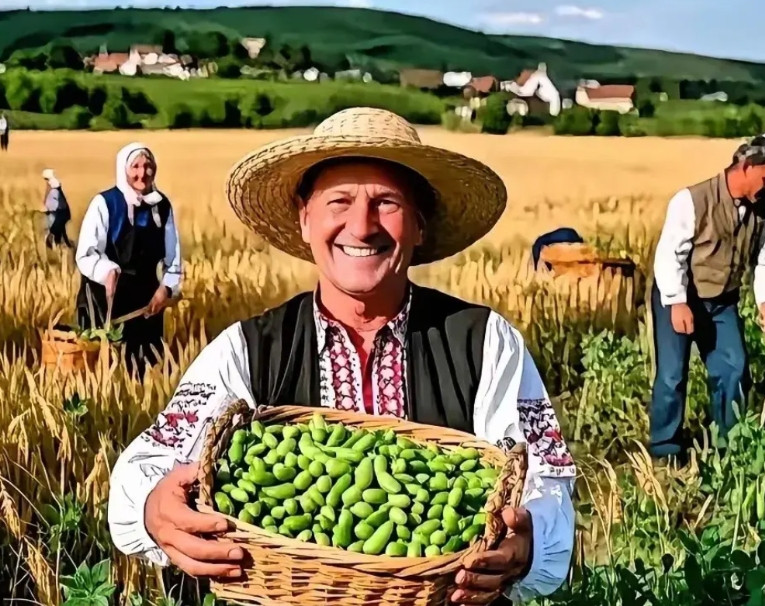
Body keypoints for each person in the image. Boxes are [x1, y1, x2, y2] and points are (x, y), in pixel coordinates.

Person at [107, 108, 576, 604]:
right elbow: (148, 463)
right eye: (340, 201)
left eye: (386, 202)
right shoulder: (246, 350)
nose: (362, 225)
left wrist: (528, 545)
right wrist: (153, 510)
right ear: (305, 220)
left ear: (419, 225)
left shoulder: (485, 342)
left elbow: (546, 484)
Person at [649, 136, 765, 462]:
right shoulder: (691, 200)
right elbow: (670, 255)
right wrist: (677, 300)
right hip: (682, 296)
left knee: (734, 369)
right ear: (746, 167)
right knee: (672, 375)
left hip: (723, 301)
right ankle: (665, 451)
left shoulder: (763, 207)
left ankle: (729, 447)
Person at [75, 142, 183, 377]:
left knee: (145, 367)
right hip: (104, 298)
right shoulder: (105, 204)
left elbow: (174, 257)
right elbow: (85, 253)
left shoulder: (162, 207)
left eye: (148, 166)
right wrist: (106, 270)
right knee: (103, 370)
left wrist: (166, 288)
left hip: (146, 300)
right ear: (123, 169)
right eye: (135, 166)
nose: (142, 173)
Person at [42, 169, 73, 249]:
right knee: (59, 230)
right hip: (59, 211)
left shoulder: (53, 188)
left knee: (54, 230)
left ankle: (58, 246)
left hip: (58, 211)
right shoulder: (55, 188)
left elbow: (50, 201)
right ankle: (63, 245)